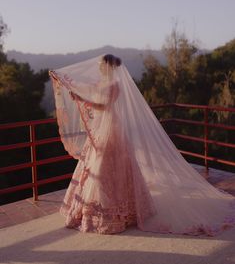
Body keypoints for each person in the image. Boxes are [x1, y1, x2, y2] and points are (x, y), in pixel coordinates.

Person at [49, 54, 235, 236]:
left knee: (106, 165)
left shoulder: (114, 85)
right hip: (101, 130)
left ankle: (113, 212)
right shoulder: (101, 84)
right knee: (98, 165)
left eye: (101, 65)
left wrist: (82, 99)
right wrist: (69, 85)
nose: (98, 68)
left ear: (109, 67)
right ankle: (99, 208)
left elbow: (102, 105)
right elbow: (88, 91)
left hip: (110, 129)